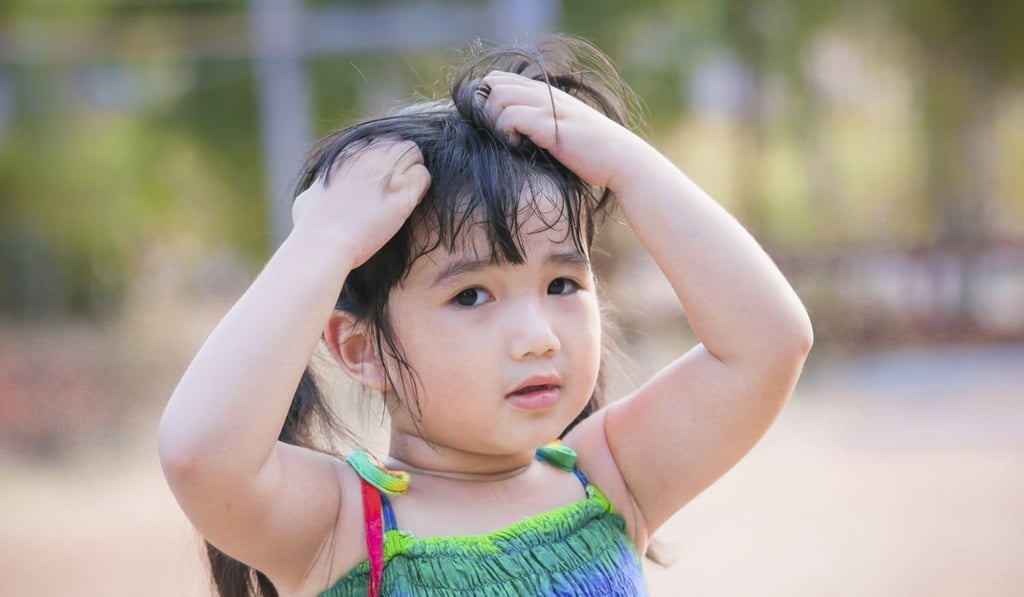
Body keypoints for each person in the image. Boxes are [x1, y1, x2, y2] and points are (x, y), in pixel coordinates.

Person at [158, 34, 813, 597]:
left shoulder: (612, 477)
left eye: (561, 283)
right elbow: (199, 455)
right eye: (471, 296)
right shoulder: (340, 527)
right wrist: (323, 239)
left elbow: (770, 343)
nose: (538, 337)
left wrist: (628, 165)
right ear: (363, 350)